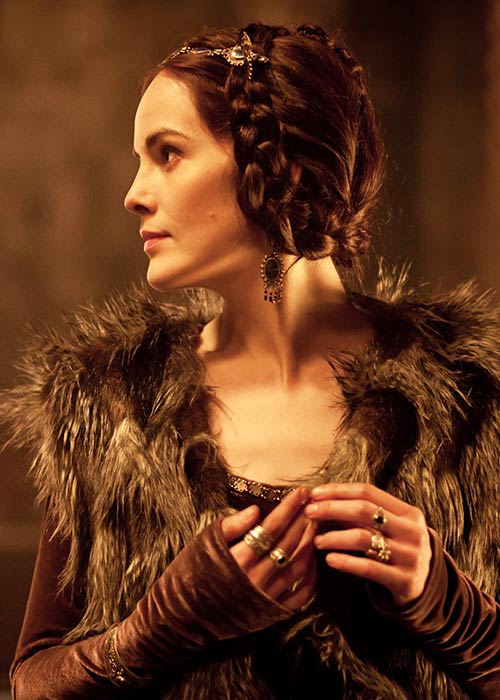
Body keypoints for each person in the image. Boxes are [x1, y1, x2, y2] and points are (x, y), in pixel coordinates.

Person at [3, 21, 500, 700]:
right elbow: (30, 683)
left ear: (279, 168)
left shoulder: (472, 399)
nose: (134, 193)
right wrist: (156, 631)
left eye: (168, 154)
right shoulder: (106, 401)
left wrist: (445, 600)